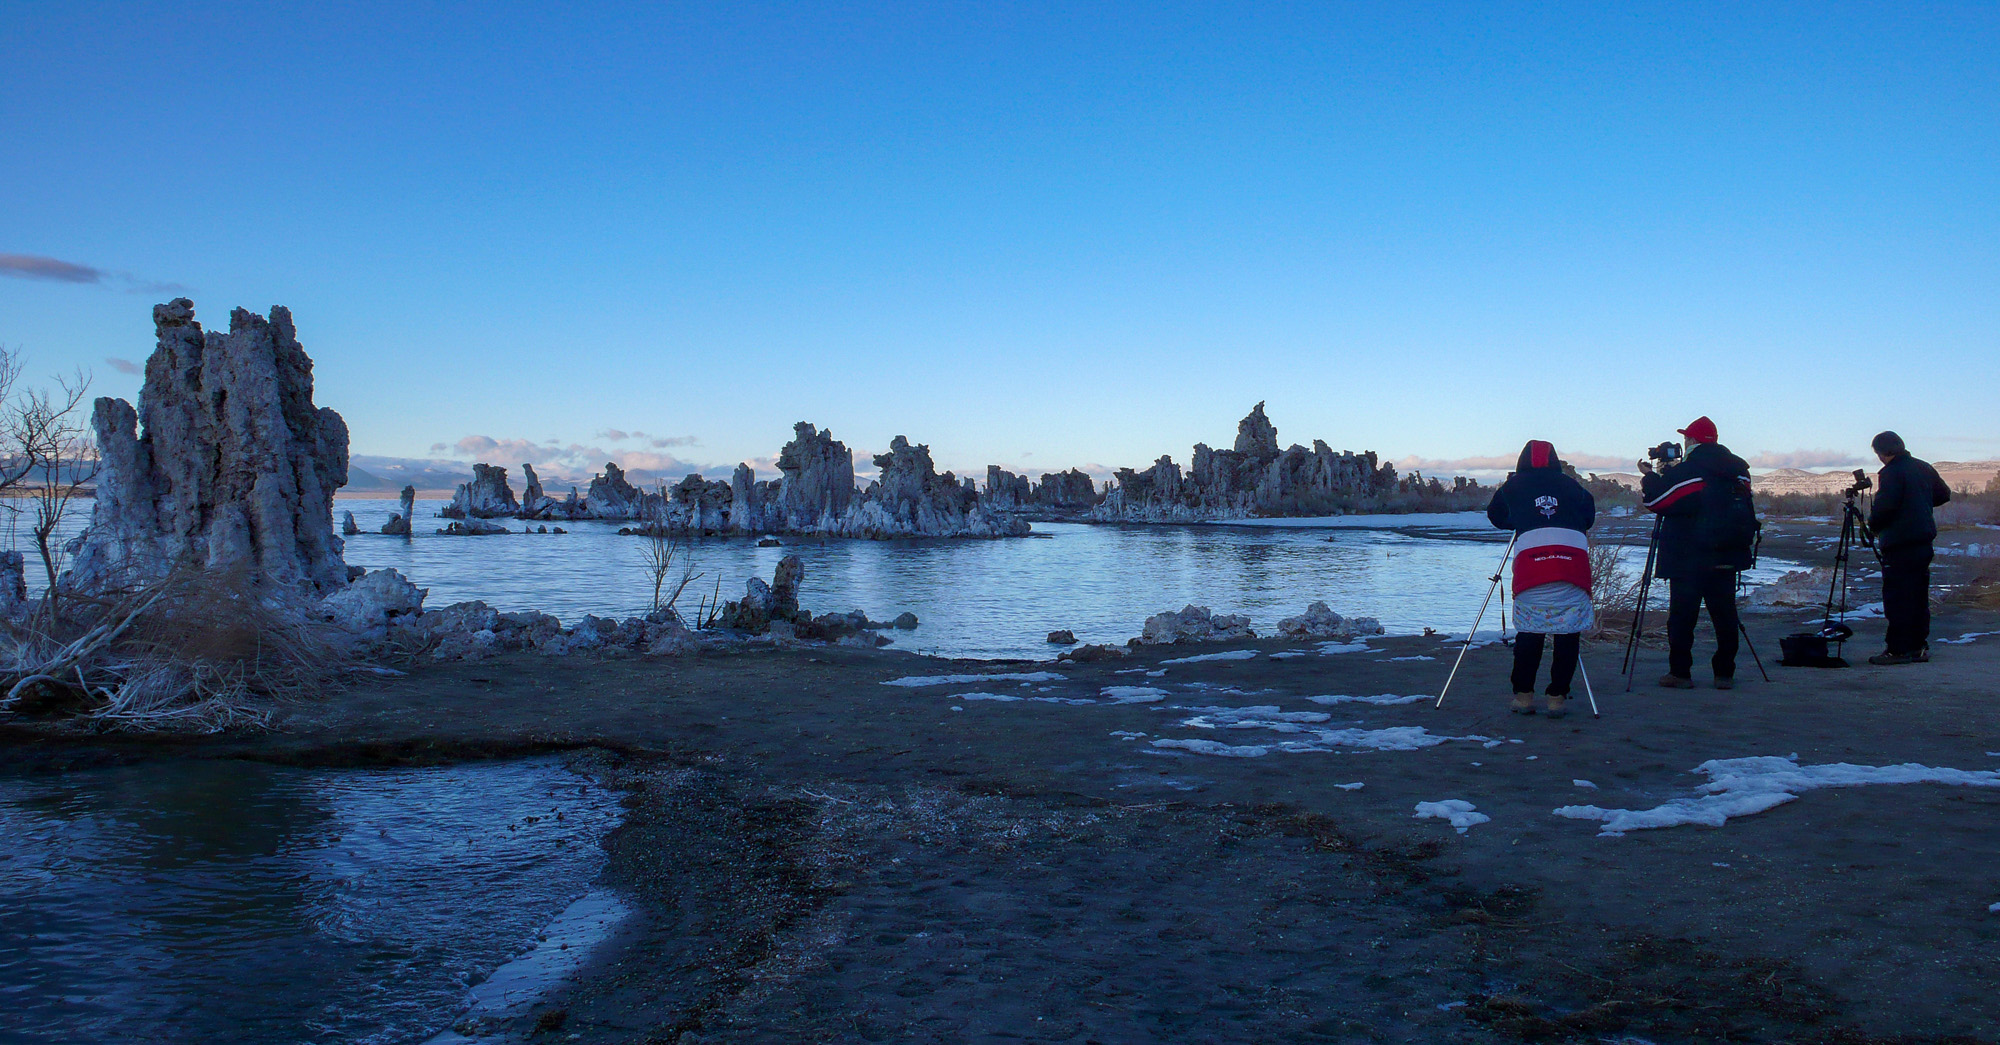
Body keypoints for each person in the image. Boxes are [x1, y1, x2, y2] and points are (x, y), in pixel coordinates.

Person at [1639, 416, 1758, 690]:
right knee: (1725, 615)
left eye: (1686, 438)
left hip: (1688, 556)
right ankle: (1724, 674)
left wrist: (1651, 477)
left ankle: (1680, 673)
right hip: (1728, 553)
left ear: (1691, 440)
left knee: (1682, 617)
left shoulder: (1690, 470)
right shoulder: (1739, 470)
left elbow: (1658, 501)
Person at [1487, 440, 1595, 718]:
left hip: (1533, 569)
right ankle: (1557, 698)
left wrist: (1522, 520)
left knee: (1530, 632)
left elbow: (1495, 515)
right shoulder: (1572, 485)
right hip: (1573, 567)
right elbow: (1589, 516)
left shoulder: (1513, 486)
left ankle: (1524, 697)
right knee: (1568, 632)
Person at [1865, 431, 1951, 665]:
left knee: (1898, 597)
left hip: (1900, 542)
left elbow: (1885, 508)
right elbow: (1944, 494)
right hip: (1923, 540)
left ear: (1882, 452)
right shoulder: (1923, 467)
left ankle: (1898, 649)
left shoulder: (1892, 472)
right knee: (1918, 595)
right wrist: (1919, 501)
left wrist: (1873, 526)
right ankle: (1917, 646)